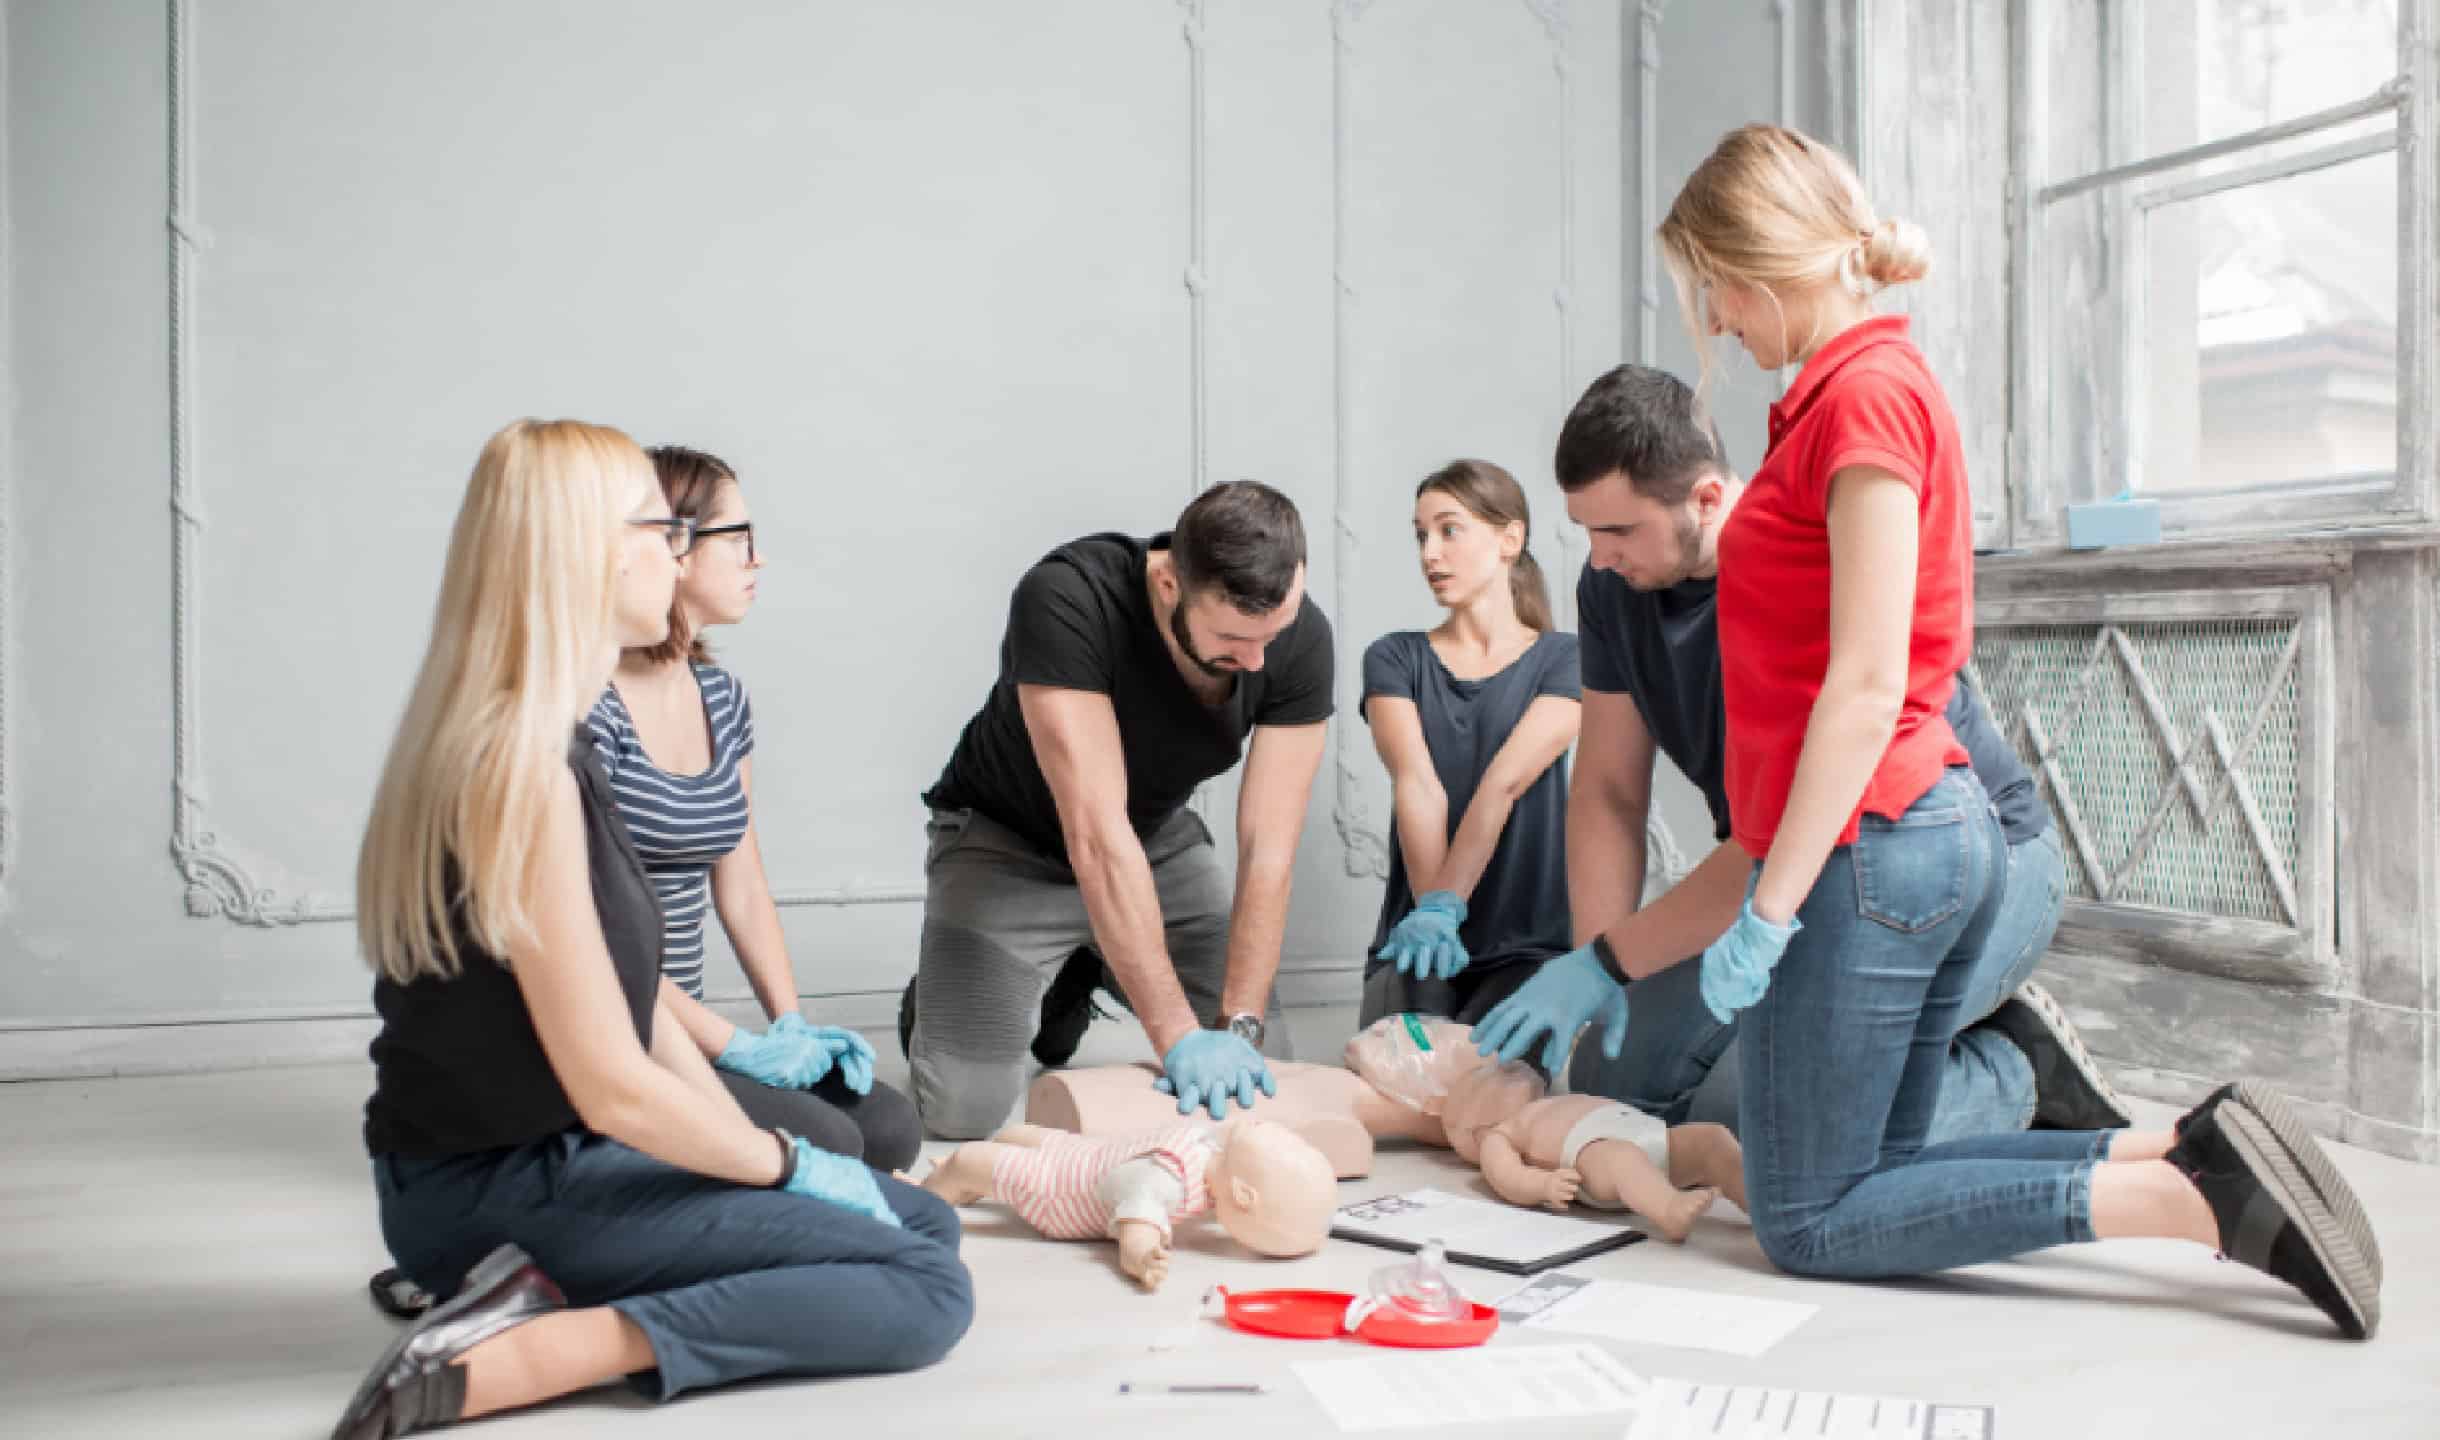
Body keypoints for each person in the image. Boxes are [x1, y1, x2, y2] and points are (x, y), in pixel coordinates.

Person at [1475, 125, 2378, 1338]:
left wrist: (1770, 909)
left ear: (1764, 262)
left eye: (1720, 293)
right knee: (1869, 1160)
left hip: (1880, 841)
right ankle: (2170, 1149)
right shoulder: (1828, 406)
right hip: (1893, 837)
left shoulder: (1867, 399)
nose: (1723, 326)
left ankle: (2191, 1204)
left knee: (1807, 1213)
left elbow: (1863, 684)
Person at [336, 420, 972, 1439]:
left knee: (925, 1223)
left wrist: (765, 1124)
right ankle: (532, 1351)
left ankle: (540, 1298)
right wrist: (786, 1164)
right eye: (660, 532)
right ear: (588, 549)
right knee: (928, 1287)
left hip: (541, 1161)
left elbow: (634, 1015)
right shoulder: (524, 767)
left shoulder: (546, 740)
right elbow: (612, 1082)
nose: (678, 557)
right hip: (490, 1189)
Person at [1512, 362, 2124, 1147]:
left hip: (1967, 867)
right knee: (1615, 1076)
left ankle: (2010, 1073)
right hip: (1797, 881)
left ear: (1705, 498)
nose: (1598, 558)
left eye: (1620, 531)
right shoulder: (1612, 592)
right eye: (1587, 532)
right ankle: (1911, 1044)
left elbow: (1770, 839)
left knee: (1765, 1118)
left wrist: (1608, 961)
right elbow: (1607, 792)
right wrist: (1599, 976)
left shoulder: (1792, 567)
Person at [902, 480, 1333, 1139]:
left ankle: (1099, 959)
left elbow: (1268, 849)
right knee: (963, 1112)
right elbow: (1094, 833)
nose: (1256, 661)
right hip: (1006, 846)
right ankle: (977, 990)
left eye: (1271, 636)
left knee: (1260, 1071)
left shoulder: (1294, 637)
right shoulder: (1068, 597)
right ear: (1168, 585)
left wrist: (1238, 1029)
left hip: (1154, 841)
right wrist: (1177, 1038)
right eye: (1230, 639)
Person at [589, 444, 919, 1171]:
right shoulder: (592, 711)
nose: (757, 559)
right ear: (671, 546)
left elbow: (741, 887)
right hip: (616, 1030)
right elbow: (599, 944)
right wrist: (737, 1048)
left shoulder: (722, 700)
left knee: (890, 1130)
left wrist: (789, 1026)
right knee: (829, 1143)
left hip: (692, 1030)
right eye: (737, 537)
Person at [1358, 459, 1581, 1027]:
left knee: (1487, 1094)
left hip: (1528, 947)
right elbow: (1418, 783)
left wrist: (1444, 905)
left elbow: (1504, 784)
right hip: (1416, 943)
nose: (1429, 553)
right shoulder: (1394, 657)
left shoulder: (1565, 660)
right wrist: (1432, 924)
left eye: (1448, 530)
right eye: (1420, 535)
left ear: (1511, 538)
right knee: (1410, 1097)